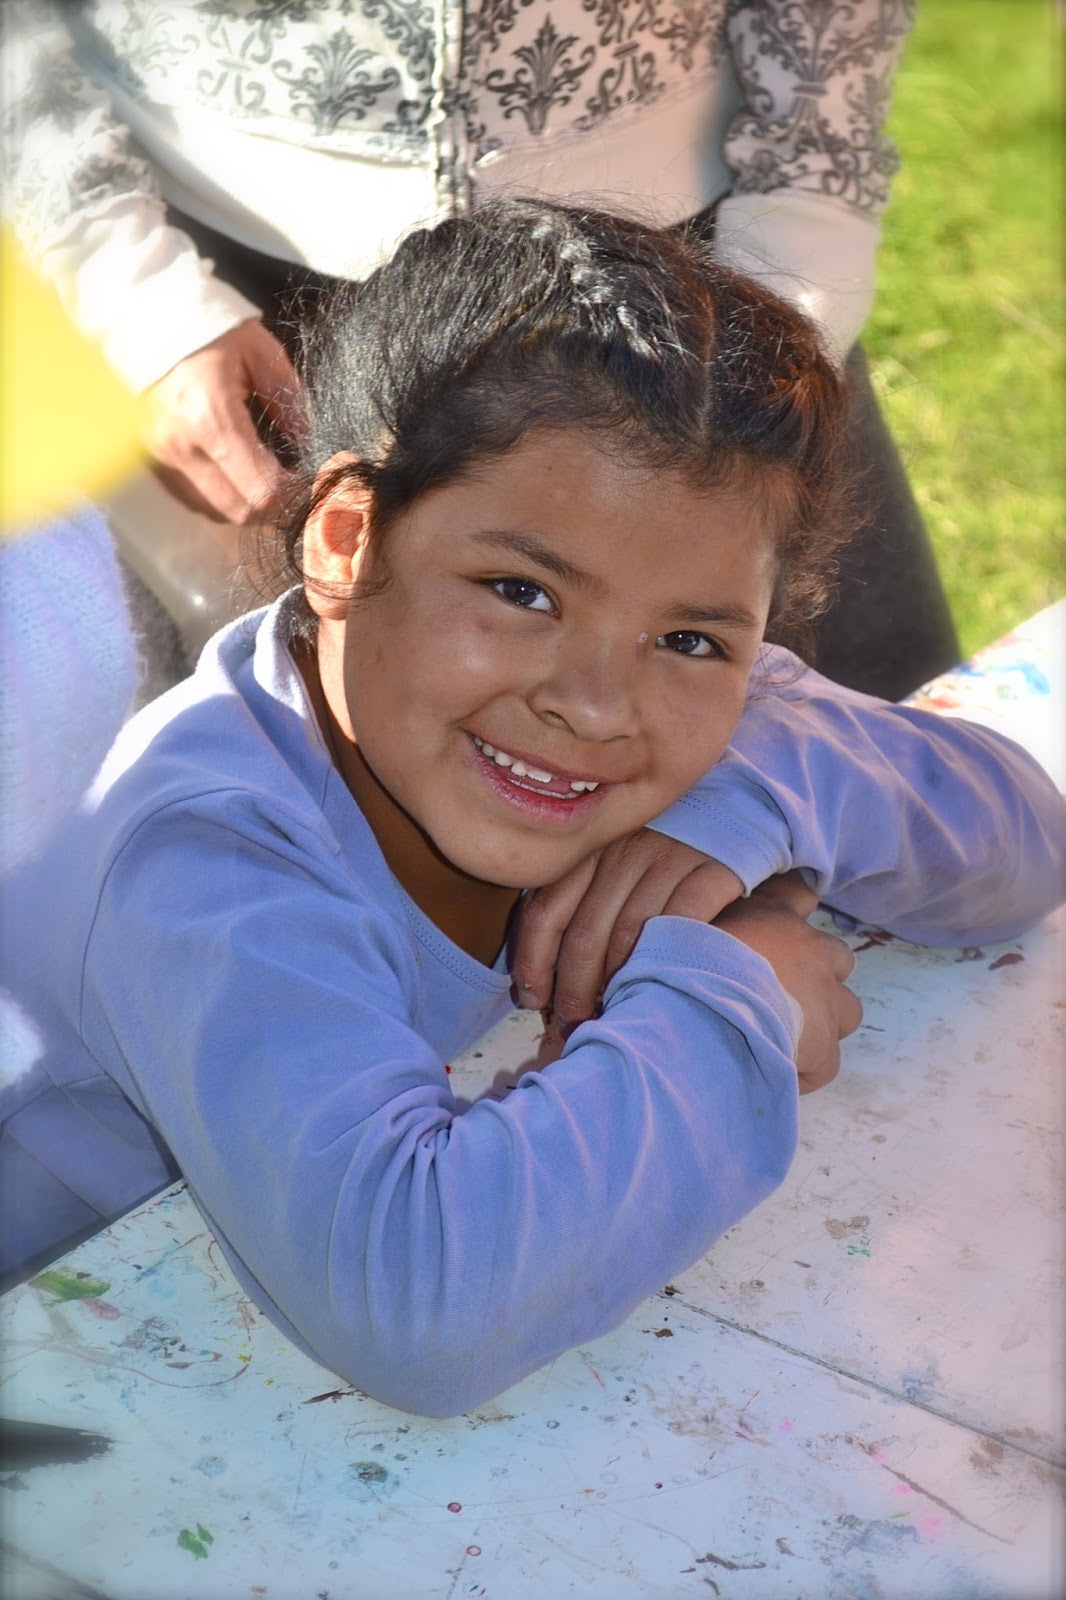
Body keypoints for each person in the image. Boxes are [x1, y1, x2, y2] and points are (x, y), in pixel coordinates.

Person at [2, 203, 1062, 1413]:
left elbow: (1026, 843)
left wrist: (763, 789)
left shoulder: (661, 705)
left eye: (692, 639)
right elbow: (421, 1307)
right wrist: (744, 998)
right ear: (345, 541)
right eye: (521, 592)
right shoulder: (199, 860)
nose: (596, 705)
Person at [1, 0, 958, 699]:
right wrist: (128, 287)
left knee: (855, 749)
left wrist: (796, 256)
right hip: (221, 305)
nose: (589, 708)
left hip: (701, 288)